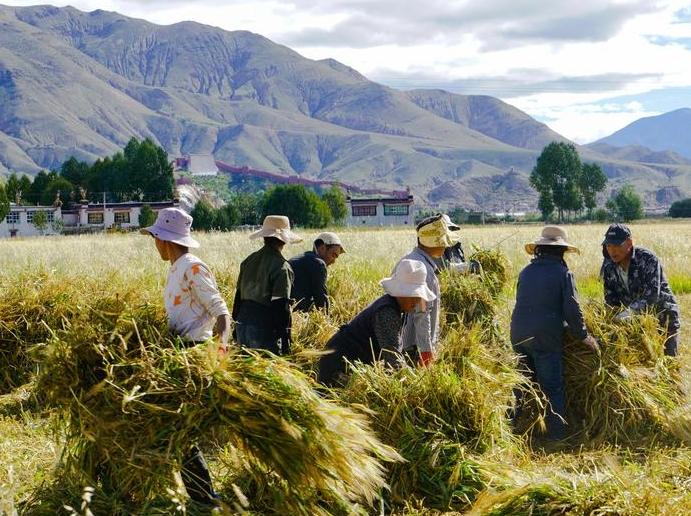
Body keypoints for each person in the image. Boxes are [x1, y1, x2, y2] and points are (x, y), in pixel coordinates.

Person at [141, 207, 230, 506]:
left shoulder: (192, 266)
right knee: (179, 432)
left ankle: (205, 499)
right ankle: (203, 497)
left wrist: (220, 352)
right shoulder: (177, 266)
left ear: (165, 240)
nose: (154, 244)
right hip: (179, 351)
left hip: (193, 354)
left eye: (155, 238)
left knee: (181, 432)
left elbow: (221, 313)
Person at [510, 226, 599, 441]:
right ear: (560, 252)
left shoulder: (526, 271)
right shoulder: (563, 273)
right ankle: (557, 438)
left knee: (523, 385)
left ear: (539, 250)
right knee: (552, 388)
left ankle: (513, 430)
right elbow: (572, 308)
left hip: (519, 334)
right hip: (544, 338)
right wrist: (584, 336)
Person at [318, 259, 436, 387]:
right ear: (401, 292)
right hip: (339, 364)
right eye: (414, 296)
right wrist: (411, 385)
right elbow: (393, 358)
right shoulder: (387, 312)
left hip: (347, 361)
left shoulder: (397, 307)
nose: (418, 301)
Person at [600, 223, 681, 356]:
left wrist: (628, 313)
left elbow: (652, 296)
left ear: (629, 243)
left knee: (669, 363)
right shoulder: (609, 267)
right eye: (609, 246)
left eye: (617, 245)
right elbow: (611, 300)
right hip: (637, 326)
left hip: (664, 321)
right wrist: (610, 322)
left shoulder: (647, 259)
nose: (612, 251)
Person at [232, 215, 302, 355]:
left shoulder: (248, 261)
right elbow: (281, 308)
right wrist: (286, 342)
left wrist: (236, 328)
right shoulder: (282, 267)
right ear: (284, 240)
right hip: (263, 329)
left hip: (242, 325)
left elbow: (238, 299)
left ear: (264, 237)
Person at [397, 213, 460, 367]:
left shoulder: (413, 260)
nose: (445, 246)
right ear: (432, 241)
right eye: (442, 241)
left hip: (408, 342)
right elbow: (422, 312)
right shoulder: (421, 269)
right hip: (414, 347)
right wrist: (426, 352)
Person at [290, 232, 345, 312]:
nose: (333, 261)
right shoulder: (318, 263)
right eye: (333, 255)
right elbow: (321, 299)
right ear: (322, 248)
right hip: (296, 313)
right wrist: (326, 321)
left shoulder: (301, 259)